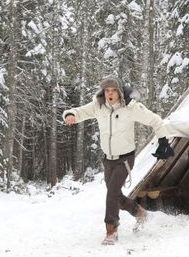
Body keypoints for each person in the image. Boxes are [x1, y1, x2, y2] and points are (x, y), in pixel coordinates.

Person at [63, 76, 174, 245]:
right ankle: (140, 213)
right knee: (116, 196)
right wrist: (70, 115)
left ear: (120, 92)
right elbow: (80, 112)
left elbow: (155, 120)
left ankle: (111, 230)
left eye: (113, 90)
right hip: (108, 159)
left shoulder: (131, 107)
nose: (110, 94)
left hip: (125, 159)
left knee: (112, 192)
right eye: (107, 90)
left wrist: (163, 141)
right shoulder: (98, 106)